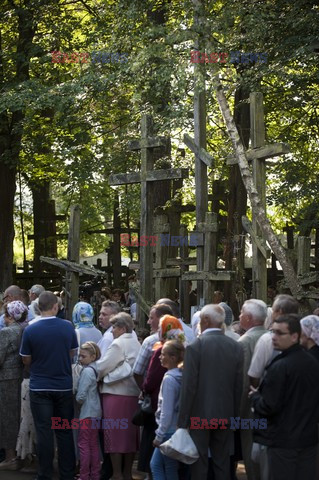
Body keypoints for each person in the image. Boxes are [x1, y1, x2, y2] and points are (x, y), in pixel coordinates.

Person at [178, 304, 244, 480]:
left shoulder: (195, 347)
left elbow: (189, 387)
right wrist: (235, 416)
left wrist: (182, 421)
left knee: (199, 463)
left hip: (199, 417)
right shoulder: (236, 346)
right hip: (225, 414)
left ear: (205, 320)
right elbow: (239, 386)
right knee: (222, 462)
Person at [250, 314, 319, 480]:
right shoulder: (311, 362)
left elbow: (269, 405)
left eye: (280, 333)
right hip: (307, 439)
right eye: (273, 332)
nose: (274, 337)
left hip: (284, 442)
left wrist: (255, 397)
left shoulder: (280, 367)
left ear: (295, 336)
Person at [20, 291, 78, 480]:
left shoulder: (30, 330)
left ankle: (44, 473)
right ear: (55, 306)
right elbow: (72, 353)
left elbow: (26, 359)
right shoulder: (68, 327)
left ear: (38, 307)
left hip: (39, 386)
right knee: (64, 430)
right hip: (63, 386)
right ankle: (67, 473)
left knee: (44, 431)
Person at [97, 312, 141, 480]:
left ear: (122, 328)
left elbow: (103, 367)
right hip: (132, 394)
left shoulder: (118, 344)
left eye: (114, 327)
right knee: (130, 436)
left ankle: (116, 474)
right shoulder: (136, 343)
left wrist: (99, 376)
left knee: (114, 435)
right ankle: (127, 473)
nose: (112, 330)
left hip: (115, 394)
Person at [238, 299, 268, 480]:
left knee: (251, 456)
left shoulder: (245, 341)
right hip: (270, 407)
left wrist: (238, 414)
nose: (239, 316)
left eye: (241, 312)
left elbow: (244, 381)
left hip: (250, 410)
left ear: (248, 318)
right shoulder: (272, 337)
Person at [150, 340, 185, 480]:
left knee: (157, 466)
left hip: (168, 431)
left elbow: (167, 410)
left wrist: (159, 435)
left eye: (163, 354)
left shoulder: (169, 379)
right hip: (174, 429)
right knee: (168, 467)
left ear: (173, 358)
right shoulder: (182, 375)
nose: (159, 357)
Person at [0, 301, 27, 470]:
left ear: (9, 315)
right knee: (18, 415)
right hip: (20, 376)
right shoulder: (24, 330)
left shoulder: (6, 332)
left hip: (5, 378)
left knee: (7, 417)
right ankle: (21, 454)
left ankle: (10, 457)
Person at [76, 341, 102, 480]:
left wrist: (75, 394)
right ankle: (95, 474)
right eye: (79, 356)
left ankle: (84, 475)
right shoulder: (96, 369)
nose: (80, 359)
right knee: (93, 444)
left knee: (84, 444)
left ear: (93, 356)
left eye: (83, 356)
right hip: (96, 412)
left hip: (87, 413)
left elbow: (80, 396)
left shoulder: (86, 371)